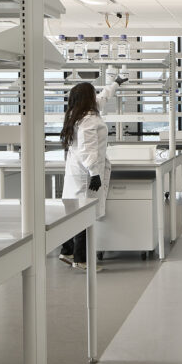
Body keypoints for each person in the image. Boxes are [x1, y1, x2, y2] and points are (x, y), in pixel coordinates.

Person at [59, 72, 126, 271]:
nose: (96, 96)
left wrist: (115, 84)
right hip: (85, 172)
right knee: (84, 214)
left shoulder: (79, 113)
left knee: (75, 212)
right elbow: (88, 148)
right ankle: (80, 260)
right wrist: (94, 172)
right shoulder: (88, 119)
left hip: (77, 170)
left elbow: (103, 97)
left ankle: (67, 250)